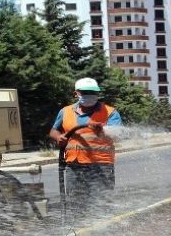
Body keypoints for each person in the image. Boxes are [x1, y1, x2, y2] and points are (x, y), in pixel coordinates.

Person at [49, 77, 122, 208]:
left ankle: (104, 227)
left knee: (102, 203)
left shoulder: (110, 112)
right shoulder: (65, 111)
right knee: (76, 203)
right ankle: (78, 226)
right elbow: (53, 131)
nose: (89, 95)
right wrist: (59, 137)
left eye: (92, 92)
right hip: (74, 165)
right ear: (76, 93)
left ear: (98, 94)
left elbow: (117, 135)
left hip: (101, 166)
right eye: (85, 92)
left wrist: (102, 131)